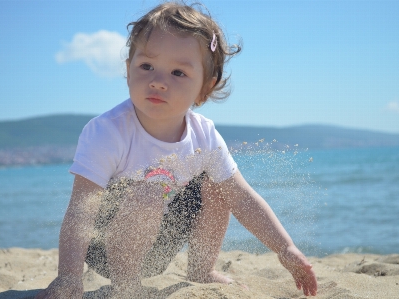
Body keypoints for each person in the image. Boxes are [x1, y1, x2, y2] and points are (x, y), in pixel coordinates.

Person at [36, 2, 317, 298]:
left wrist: (285, 248)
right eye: (146, 66)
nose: (158, 82)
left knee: (219, 185)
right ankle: (126, 284)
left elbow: (243, 197)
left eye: (178, 73)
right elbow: (83, 208)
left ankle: (201, 270)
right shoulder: (108, 131)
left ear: (204, 88)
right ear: (128, 69)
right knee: (149, 190)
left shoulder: (203, 135)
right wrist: (68, 276)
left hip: (161, 244)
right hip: (106, 245)